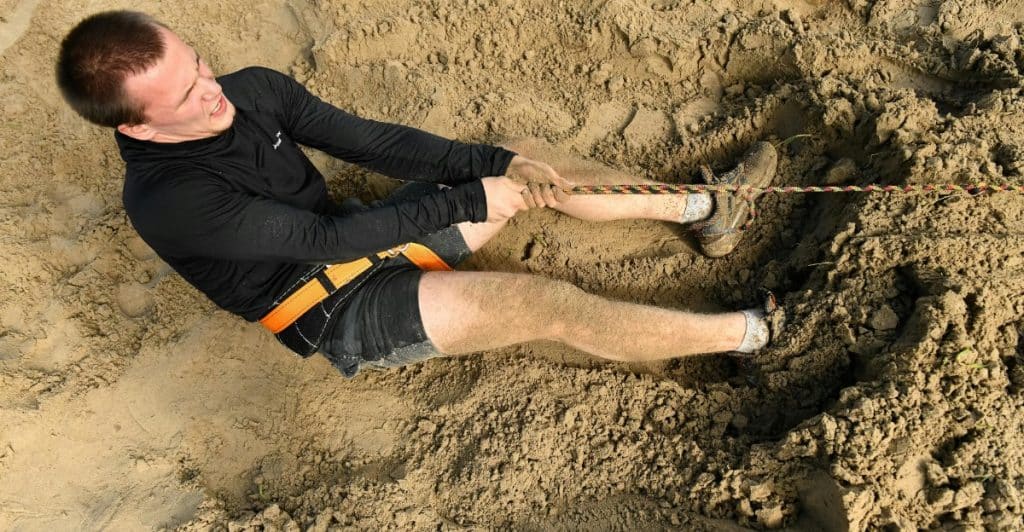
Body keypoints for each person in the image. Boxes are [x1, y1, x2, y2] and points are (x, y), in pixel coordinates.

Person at [56, 11, 782, 377]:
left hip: (358, 228)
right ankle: (757, 335)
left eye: (200, 65)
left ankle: (706, 209)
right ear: (141, 128)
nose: (215, 93)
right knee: (548, 305)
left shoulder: (250, 91)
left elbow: (371, 141)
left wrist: (499, 164)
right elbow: (321, 246)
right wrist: (473, 199)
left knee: (532, 162)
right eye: (187, 95)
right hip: (330, 304)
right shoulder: (167, 199)